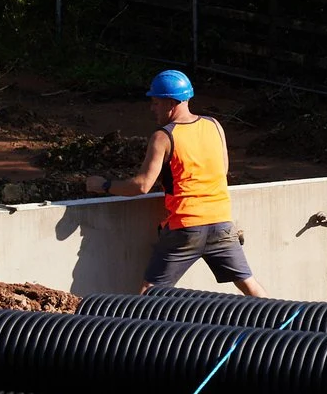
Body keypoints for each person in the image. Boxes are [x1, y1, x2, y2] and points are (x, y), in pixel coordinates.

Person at [91, 69, 268, 297]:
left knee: (149, 293)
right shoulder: (214, 125)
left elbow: (141, 185)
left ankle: (145, 333)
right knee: (250, 286)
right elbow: (222, 170)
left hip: (185, 227)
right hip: (221, 222)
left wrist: (103, 185)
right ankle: (283, 327)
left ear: (170, 103)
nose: (152, 108)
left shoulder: (163, 137)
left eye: (155, 103)